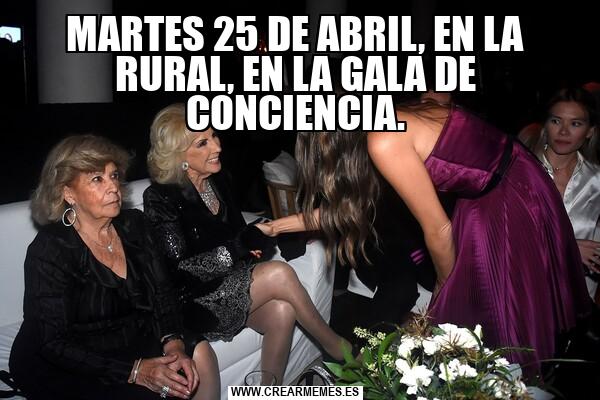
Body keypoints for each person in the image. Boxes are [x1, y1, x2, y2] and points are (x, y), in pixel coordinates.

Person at [258, 99, 592, 377]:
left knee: (489, 308)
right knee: (478, 309)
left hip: (504, 196)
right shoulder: (393, 118)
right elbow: (351, 209)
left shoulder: (384, 139)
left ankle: (511, 379)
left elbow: (439, 230)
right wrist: (275, 227)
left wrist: (445, 285)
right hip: (499, 186)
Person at [142, 104, 348, 385]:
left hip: (231, 283)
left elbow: (238, 234)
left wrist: (254, 243)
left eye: (214, 136)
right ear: (179, 156)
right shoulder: (159, 197)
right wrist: (238, 248)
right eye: (203, 143)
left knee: (283, 311)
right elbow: (182, 271)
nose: (217, 147)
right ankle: (337, 348)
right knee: (279, 272)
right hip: (194, 301)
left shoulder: (218, 180)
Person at [9, 135, 220, 400]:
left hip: (126, 333)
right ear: (68, 193)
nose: (113, 187)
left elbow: (163, 294)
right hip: (67, 359)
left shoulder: (136, 225)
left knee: (200, 354)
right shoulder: (51, 249)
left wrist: (173, 343)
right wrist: (136, 371)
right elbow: (52, 342)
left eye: (114, 176)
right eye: (97, 179)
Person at [536, 87, 600, 304]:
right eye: (556, 121)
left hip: (577, 300)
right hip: (526, 296)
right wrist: (568, 248)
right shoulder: (519, 173)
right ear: (546, 125)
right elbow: (501, 239)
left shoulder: (597, 181)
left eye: (575, 124)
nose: (563, 132)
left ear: (590, 131)